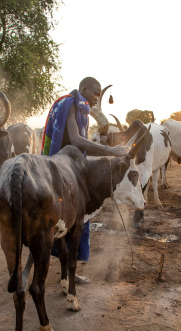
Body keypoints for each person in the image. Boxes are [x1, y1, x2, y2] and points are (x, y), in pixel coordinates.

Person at [26, 77, 128, 285]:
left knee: (62, 226)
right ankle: (50, 273)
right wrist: (111, 151)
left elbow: (79, 142)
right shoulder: (72, 105)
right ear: (83, 89)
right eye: (95, 94)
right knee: (64, 224)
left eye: (99, 95)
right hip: (63, 171)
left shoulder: (78, 108)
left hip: (67, 167)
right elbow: (75, 140)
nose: (96, 99)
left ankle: (66, 273)